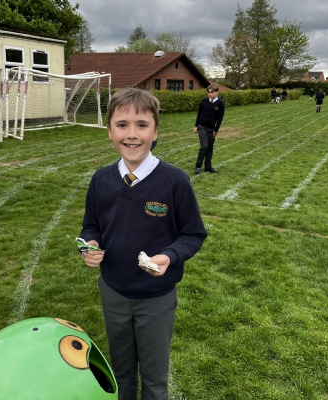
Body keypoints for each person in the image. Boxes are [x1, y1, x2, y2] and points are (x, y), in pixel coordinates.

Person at [78, 87, 207, 400]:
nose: (132, 134)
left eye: (142, 125)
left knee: (154, 379)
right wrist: (89, 245)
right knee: (120, 374)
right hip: (113, 292)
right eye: (122, 125)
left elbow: (193, 234)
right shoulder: (101, 180)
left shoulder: (174, 181)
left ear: (155, 131)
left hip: (156, 298)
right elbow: (91, 226)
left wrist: (169, 256)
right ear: (110, 131)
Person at [194, 83, 225, 174]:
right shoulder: (204, 101)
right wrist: (196, 125)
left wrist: (216, 130)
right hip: (202, 126)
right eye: (208, 92)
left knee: (210, 148)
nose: (210, 94)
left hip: (211, 129)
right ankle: (198, 166)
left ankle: (208, 167)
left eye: (212, 92)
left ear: (217, 92)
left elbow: (220, 118)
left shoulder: (220, 103)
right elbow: (199, 113)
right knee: (204, 146)